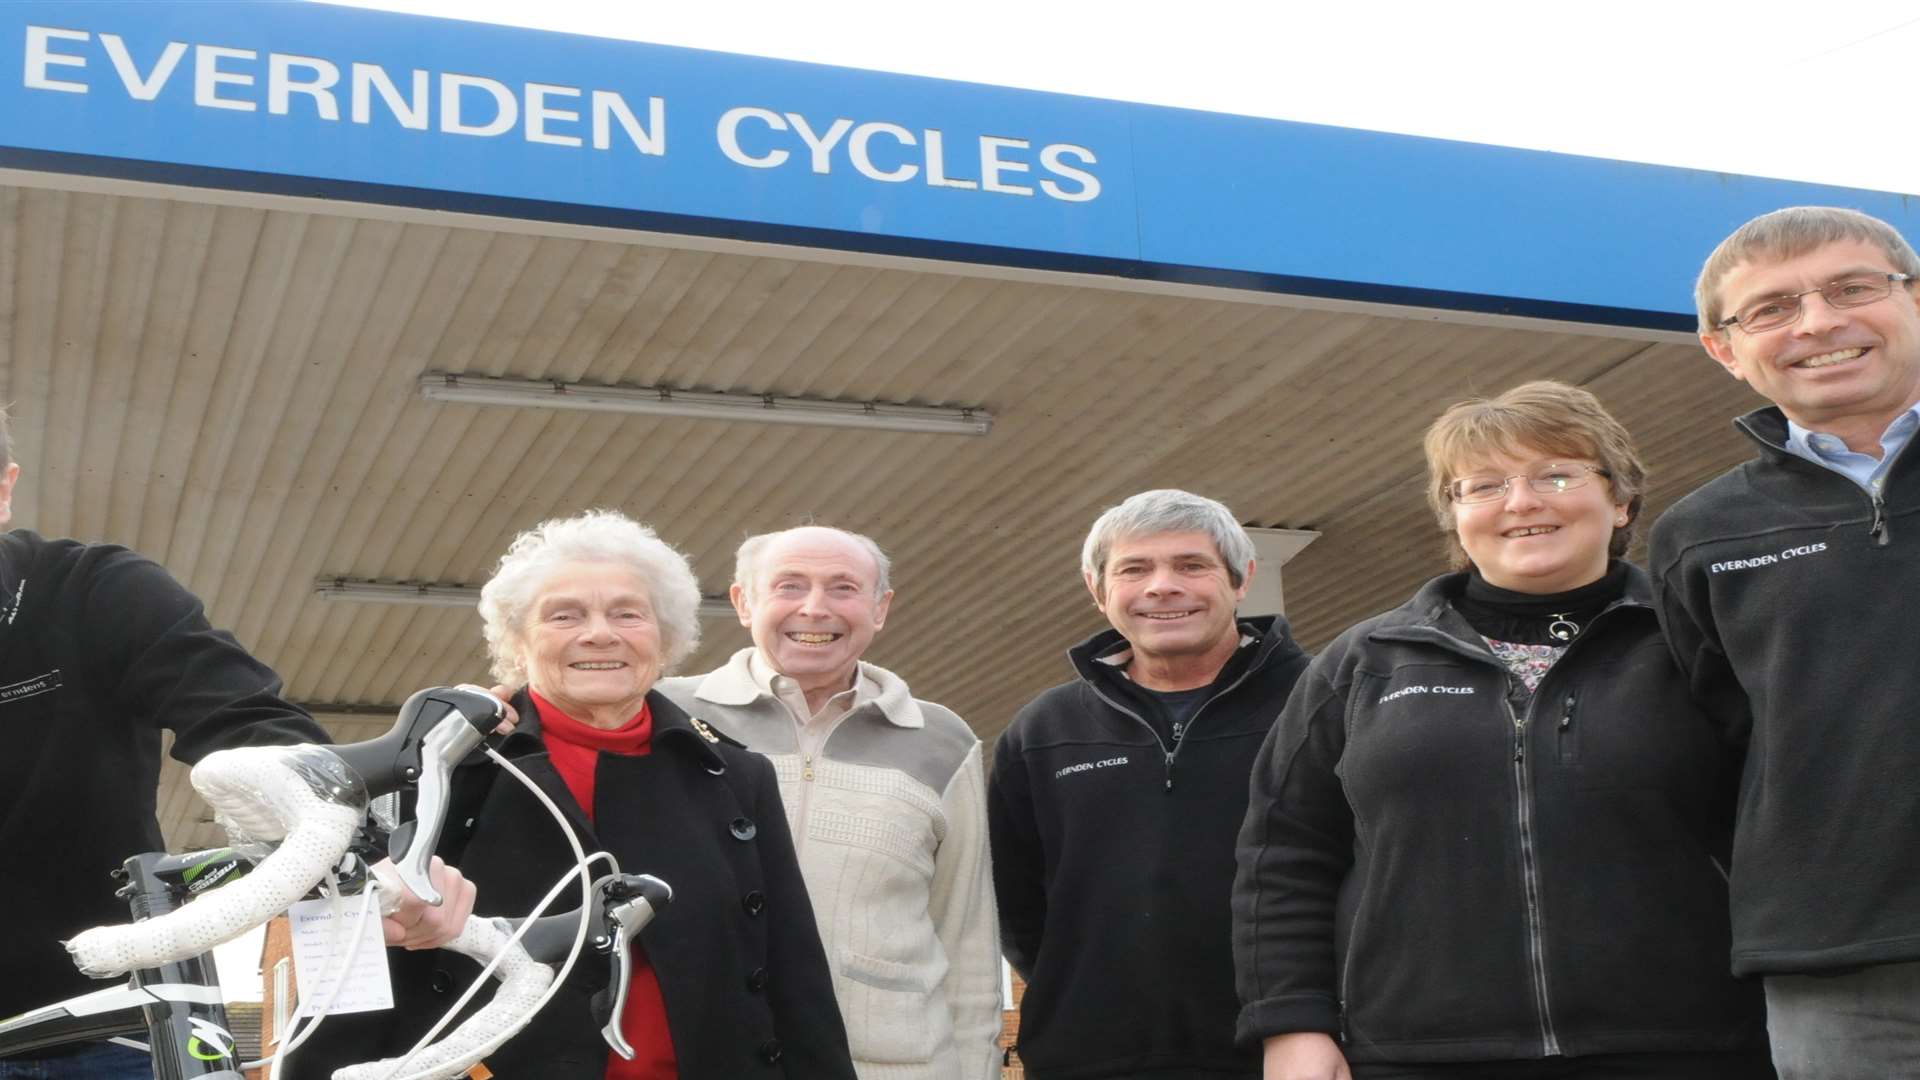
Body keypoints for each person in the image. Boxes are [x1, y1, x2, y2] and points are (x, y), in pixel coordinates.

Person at [1233, 381, 1771, 1080]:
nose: (1521, 502)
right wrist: (1292, 1025)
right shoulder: (1363, 664)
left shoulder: (1700, 640)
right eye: (1482, 486)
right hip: (1416, 1056)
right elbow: (1284, 856)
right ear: (1453, 516)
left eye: (1556, 474)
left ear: (1621, 500)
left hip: (1690, 1047)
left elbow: (1786, 823)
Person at [289, 510, 856, 1079]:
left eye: (627, 613)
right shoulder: (438, 765)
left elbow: (793, 973)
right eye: (565, 615)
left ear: (665, 638)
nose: (600, 633)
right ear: (519, 641)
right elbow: (345, 970)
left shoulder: (734, 775)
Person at [0, 405, 461, 1080]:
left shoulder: (92, 590)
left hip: (118, 1028)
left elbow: (248, 722)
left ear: (5, 488)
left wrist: (377, 855)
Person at [1652, 205, 1920, 1078]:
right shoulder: (1699, 534)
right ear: (1724, 351)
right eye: (1770, 308)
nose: (1817, 322)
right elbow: (1723, 738)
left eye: (1852, 288)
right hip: (1838, 969)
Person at [988, 489, 1310, 1080]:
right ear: (1098, 588)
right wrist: (1083, 986)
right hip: (1091, 1058)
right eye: (1134, 569)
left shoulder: (1323, 704)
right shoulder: (1044, 729)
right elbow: (1016, 900)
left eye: (1191, 565)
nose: (1163, 586)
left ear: (1242, 581)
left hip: (1287, 1055)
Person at [658, 526, 1000, 1080]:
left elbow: (966, 939)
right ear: (744, 602)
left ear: (880, 608)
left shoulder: (942, 741)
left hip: (893, 1067)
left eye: (843, 588)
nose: (815, 609)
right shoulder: (665, 715)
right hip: (706, 1058)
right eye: (789, 586)